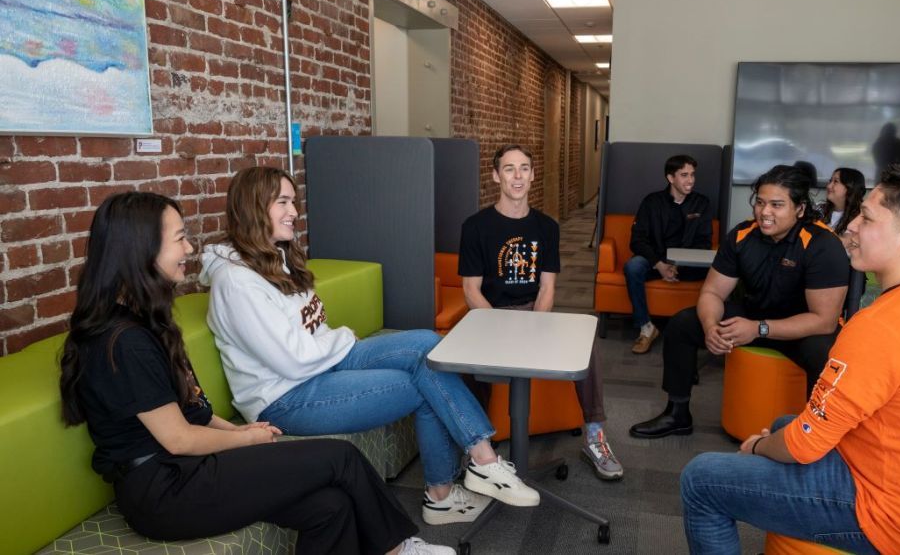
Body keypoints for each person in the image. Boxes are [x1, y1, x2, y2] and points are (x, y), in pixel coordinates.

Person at [58, 192, 452, 554]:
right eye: (179, 239)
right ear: (141, 249)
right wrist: (246, 441)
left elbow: (190, 408)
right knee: (341, 459)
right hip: (166, 490)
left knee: (329, 507)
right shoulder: (124, 341)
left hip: (184, 470)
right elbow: (177, 438)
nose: (189, 248)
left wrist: (239, 432)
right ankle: (399, 548)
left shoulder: (146, 322)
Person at [200, 167, 540, 528]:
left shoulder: (275, 257)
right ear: (254, 207)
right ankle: (456, 484)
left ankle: (480, 463)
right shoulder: (236, 283)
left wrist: (337, 342)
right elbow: (294, 361)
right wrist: (345, 338)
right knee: (423, 384)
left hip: (324, 364)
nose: (294, 212)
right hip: (286, 396)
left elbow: (310, 336)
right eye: (283, 202)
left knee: (430, 347)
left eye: (293, 201)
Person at [679, 165, 900, 554]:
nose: (853, 226)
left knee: (701, 479)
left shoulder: (880, 326)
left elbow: (803, 447)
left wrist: (758, 448)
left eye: (868, 217)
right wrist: (776, 439)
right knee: (781, 424)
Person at [629, 164, 850, 439]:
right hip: (753, 315)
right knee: (683, 324)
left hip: (802, 327)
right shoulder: (743, 234)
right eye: (760, 202)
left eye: (777, 205)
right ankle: (677, 413)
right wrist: (710, 327)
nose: (765, 212)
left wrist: (758, 328)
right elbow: (712, 292)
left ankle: (814, 435)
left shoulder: (822, 244)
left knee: (827, 353)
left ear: (800, 209)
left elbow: (824, 320)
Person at [459, 144, 623, 481]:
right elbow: (471, 290)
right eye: (509, 169)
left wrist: (534, 325)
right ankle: (478, 448)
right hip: (490, 314)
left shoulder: (546, 227)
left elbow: (547, 288)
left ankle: (595, 436)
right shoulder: (476, 226)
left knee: (587, 345)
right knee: (464, 359)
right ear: (495, 175)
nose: (517, 176)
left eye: (524, 169)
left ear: (533, 176)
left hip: (536, 313)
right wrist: (496, 327)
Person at [623, 154, 715, 354]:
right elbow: (637, 240)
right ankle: (646, 328)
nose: (690, 180)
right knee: (633, 266)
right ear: (670, 178)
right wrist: (660, 265)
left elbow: (704, 242)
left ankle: (708, 330)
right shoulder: (652, 202)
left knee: (721, 272)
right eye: (684, 175)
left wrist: (678, 264)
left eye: (692, 175)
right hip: (655, 262)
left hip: (688, 265)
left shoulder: (702, 203)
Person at [820, 167, 866, 240]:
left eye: (836, 181)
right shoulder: (819, 210)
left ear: (850, 188)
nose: (828, 186)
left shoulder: (861, 219)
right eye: (830, 181)